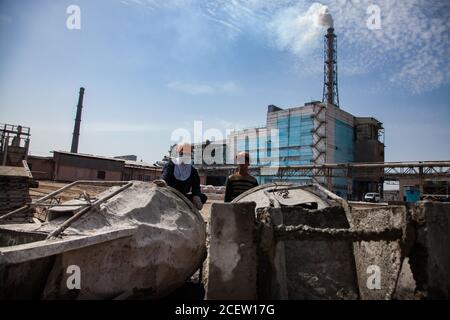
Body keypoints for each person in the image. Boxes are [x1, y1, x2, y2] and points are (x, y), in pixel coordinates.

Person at [155, 142, 207, 210]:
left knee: (203, 197)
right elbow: (165, 177)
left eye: (188, 154)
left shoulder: (193, 171)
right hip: (170, 195)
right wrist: (162, 182)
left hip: (183, 197)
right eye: (182, 154)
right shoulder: (171, 165)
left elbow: (196, 187)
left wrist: (196, 197)